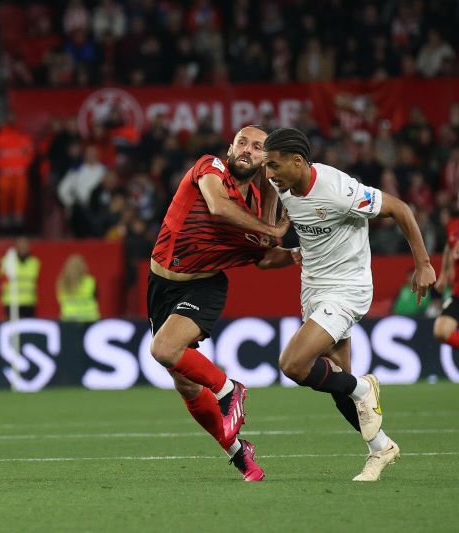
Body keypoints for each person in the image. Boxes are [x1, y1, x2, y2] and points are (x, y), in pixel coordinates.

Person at [261, 127, 435, 481]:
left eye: (274, 166)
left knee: (293, 364)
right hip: (313, 287)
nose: (269, 174)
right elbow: (280, 222)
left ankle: (364, 388)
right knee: (337, 385)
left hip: (347, 288)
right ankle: (381, 448)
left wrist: (423, 263)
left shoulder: (339, 190)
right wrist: (278, 241)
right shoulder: (281, 184)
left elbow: (400, 209)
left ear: (298, 161)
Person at [149, 125, 290, 482]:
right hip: (161, 286)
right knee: (185, 385)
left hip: (204, 286)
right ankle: (239, 454)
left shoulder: (257, 207)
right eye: (242, 142)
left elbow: (264, 258)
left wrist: (306, 253)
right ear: (230, 148)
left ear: (264, 160)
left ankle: (230, 389)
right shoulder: (210, 167)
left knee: (164, 349)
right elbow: (216, 206)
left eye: (257, 147)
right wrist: (271, 230)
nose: (247, 149)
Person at [0, 114, 35, 231]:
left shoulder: (23, 137)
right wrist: (1, 165)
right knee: (3, 200)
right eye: (9, 118)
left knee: (20, 200)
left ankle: (19, 226)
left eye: (13, 117)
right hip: (4, 174)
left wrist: (22, 165)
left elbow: (30, 153)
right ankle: (4, 227)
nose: (11, 120)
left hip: (19, 174)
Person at [0, 236, 40, 319]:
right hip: (11, 302)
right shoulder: (6, 261)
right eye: (21, 245)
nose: (23, 247)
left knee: (28, 329)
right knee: (13, 330)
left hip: (29, 302)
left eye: (25, 245)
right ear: (16, 247)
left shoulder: (35, 262)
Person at [433, 214, 459, 348]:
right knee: (441, 330)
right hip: (457, 292)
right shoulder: (453, 225)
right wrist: (444, 274)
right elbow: (449, 247)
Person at [56, 254, 100, 322]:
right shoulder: (90, 282)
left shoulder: (62, 283)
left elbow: (60, 301)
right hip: (89, 320)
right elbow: (96, 299)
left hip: (68, 321)